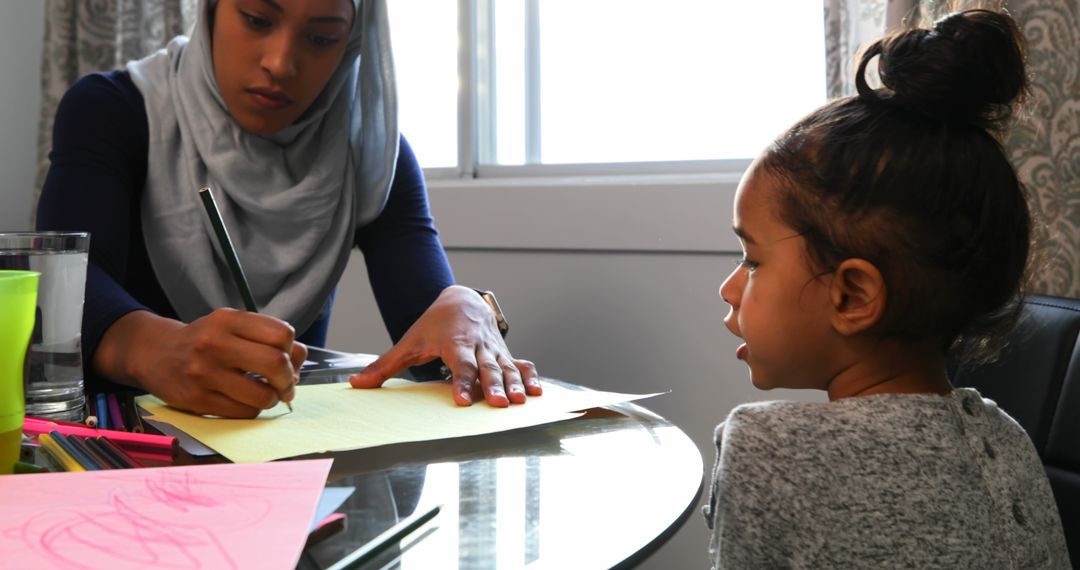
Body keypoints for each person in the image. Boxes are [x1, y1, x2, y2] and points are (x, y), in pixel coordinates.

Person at [36, 0, 541, 419]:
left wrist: (466, 309)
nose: (280, 63)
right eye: (257, 18)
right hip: (116, 451)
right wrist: (149, 347)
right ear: (212, 9)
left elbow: (426, 335)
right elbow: (66, 288)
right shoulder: (110, 109)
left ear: (353, 43)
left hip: (287, 470)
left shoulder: (368, 154)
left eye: (321, 38)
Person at [702, 9, 1070, 568]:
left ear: (853, 296)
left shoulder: (768, 451)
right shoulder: (1007, 438)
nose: (729, 289)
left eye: (752, 261)